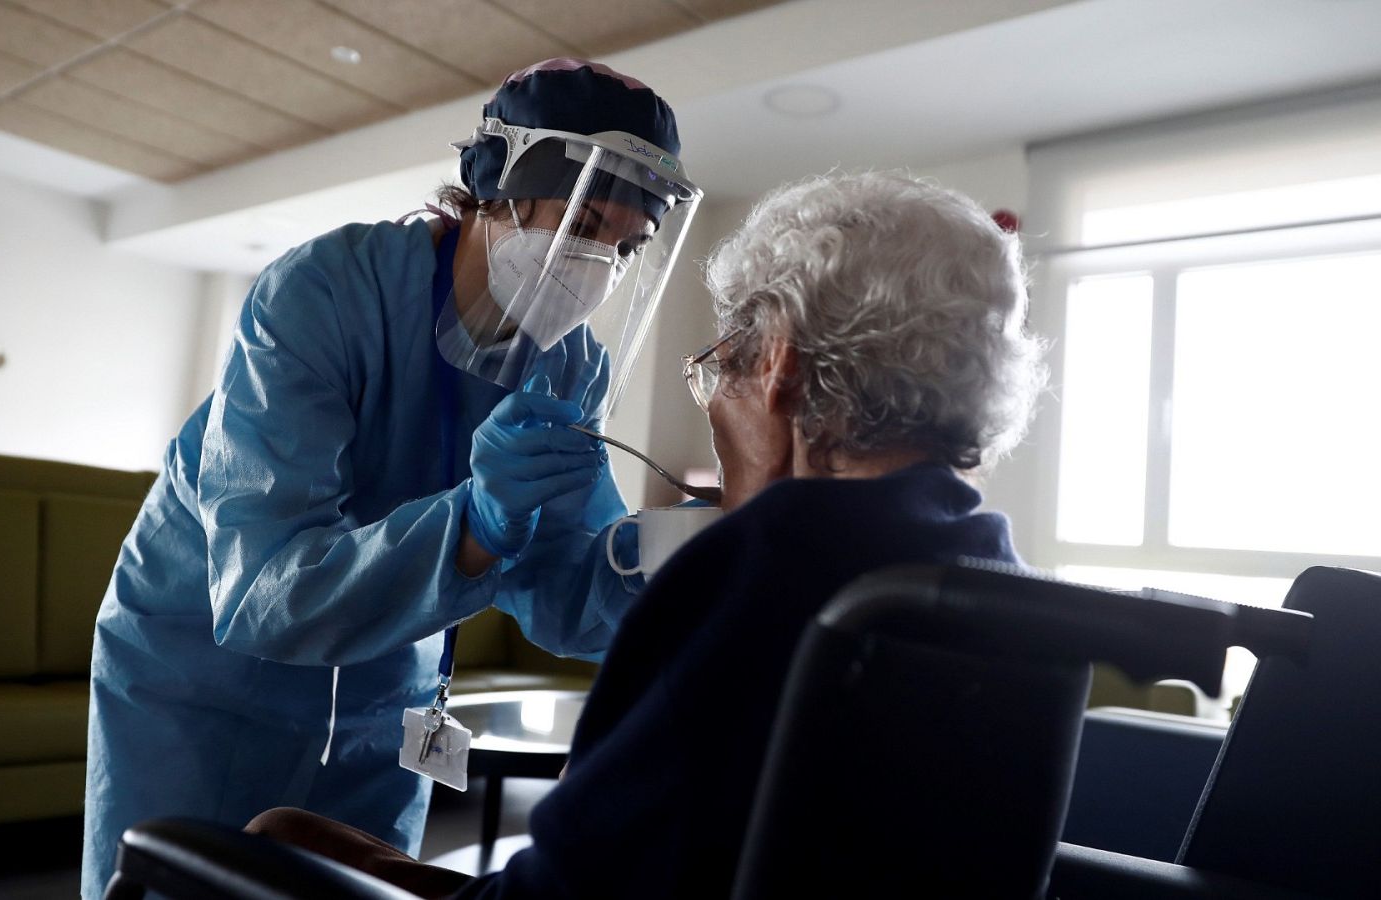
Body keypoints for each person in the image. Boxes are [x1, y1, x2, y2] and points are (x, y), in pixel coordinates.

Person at [239, 170, 1048, 897]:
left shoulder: (753, 566)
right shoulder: (1000, 579)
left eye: (721, 362)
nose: (712, 398)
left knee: (273, 838)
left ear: (778, 366)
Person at [80, 58, 704, 899]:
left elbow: (562, 598)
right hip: (203, 677)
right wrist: (477, 527)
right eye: (583, 221)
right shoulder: (327, 292)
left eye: (625, 245)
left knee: (362, 891)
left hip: (390, 686)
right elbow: (264, 590)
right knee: (182, 882)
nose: (598, 264)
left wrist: (658, 560)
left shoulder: (570, 367)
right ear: (496, 185)